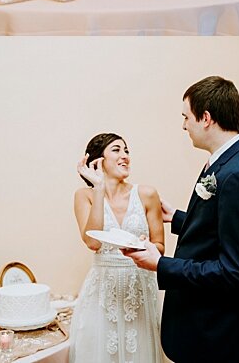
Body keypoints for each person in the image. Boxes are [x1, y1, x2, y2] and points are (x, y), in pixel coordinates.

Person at [124, 76, 239, 363]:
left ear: (206, 118)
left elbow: (236, 272)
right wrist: (177, 218)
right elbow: (220, 228)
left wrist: (160, 265)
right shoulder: (225, 161)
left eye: (186, 117)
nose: (183, 125)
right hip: (201, 327)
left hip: (217, 334)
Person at [69, 132, 166, 363]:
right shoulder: (85, 196)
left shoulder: (146, 194)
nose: (125, 156)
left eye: (126, 150)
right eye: (116, 150)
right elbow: (93, 242)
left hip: (139, 289)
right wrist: (100, 188)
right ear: (97, 161)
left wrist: (145, 248)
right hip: (103, 291)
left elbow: (160, 247)